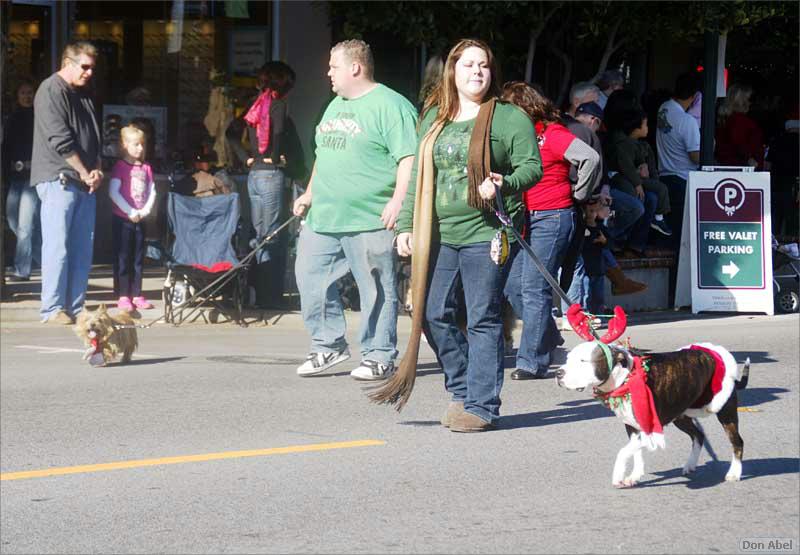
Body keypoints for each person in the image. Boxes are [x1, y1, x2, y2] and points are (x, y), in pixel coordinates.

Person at [395, 40, 542, 431]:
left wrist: (504, 182)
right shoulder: (434, 118)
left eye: (484, 65)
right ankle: (461, 388)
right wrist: (406, 225)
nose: (477, 72)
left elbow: (533, 168)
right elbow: (418, 179)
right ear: (452, 72)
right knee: (431, 312)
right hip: (438, 234)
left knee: (482, 318)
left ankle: (481, 405)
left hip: (486, 232)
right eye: (468, 65)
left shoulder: (508, 118)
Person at [291, 39, 418, 380]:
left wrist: (398, 202)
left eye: (333, 66)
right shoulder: (335, 105)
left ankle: (378, 355)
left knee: (376, 288)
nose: (327, 72)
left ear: (355, 68)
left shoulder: (392, 105)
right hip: (325, 216)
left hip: (370, 216)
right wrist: (310, 193)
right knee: (309, 277)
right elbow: (325, 153)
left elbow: (409, 157)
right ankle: (328, 346)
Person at [501, 82, 599, 381]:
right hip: (527, 219)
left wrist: (579, 194)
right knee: (513, 286)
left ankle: (532, 362)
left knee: (533, 288)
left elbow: (589, 158)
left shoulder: (551, 134)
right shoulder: (519, 137)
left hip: (552, 216)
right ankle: (550, 342)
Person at [31, 41, 102, 325]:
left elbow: (93, 138)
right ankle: (52, 308)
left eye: (92, 68)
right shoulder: (51, 89)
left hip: (83, 180)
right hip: (59, 177)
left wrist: (96, 169)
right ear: (67, 62)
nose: (89, 73)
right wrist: (85, 171)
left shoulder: (82, 95)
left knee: (82, 248)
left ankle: (75, 306)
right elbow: (59, 139)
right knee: (57, 247)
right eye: (84, 67)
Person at [244, 61, 295, 309]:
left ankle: (255, 290)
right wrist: (275, 158)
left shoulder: (256, 103)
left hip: (253, 175)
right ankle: (270, 295)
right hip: (271, 175)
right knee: (272, 235)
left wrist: (246, 157)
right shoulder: (277, 104)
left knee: (259, 234)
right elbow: (278, 133)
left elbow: (232, 133)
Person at [108, 125, 157, 312]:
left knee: (138, 257)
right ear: (125, 145)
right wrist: (130, 211)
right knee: (122, 257)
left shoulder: (146, 167)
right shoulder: (120, 167)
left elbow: (152, 190)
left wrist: (145, 211)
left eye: (142, 144)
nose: (140, 148)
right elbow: (114, 192)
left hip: (140, 218)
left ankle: (136, 293)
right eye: (136, 144)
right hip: (123, 219)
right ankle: (122, 294)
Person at [605, 109, 672, 238]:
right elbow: (627, 166)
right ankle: (657, 219)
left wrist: (643, 167)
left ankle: (636, 241)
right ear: (636, 128)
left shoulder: (639, 145)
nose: (647, 128)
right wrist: (637, 183)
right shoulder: (624, 144)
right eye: (645, 125)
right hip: (625, 179)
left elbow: (643, 166)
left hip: (634, 179)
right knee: (654, 191)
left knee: (654, 194)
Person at [656, 72, 701, 249]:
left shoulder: (663, 109)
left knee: (669, 232)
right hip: (683, 179)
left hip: (664, 175)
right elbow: (695, 156)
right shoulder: (687, 120)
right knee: (680, 238)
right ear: (694, 96)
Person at [3, 80, 40, 282]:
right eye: (23, 92)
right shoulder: (12, 119)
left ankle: (22, 269)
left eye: (30, 92)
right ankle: (42, 259)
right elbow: (6, 147)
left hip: (32, 177)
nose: (27, 96)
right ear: (17, 96)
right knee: (12, 221)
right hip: (15, 178)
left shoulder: (40, 117)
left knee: (25, 226)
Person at [715, 83, 765, 169]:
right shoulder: (739, 121)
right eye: (750, 99)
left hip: (729, 167)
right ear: (742, 100)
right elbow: (739, 144)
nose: (751, 103)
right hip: (741, 170)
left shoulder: (725, 118)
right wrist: (750, 160)